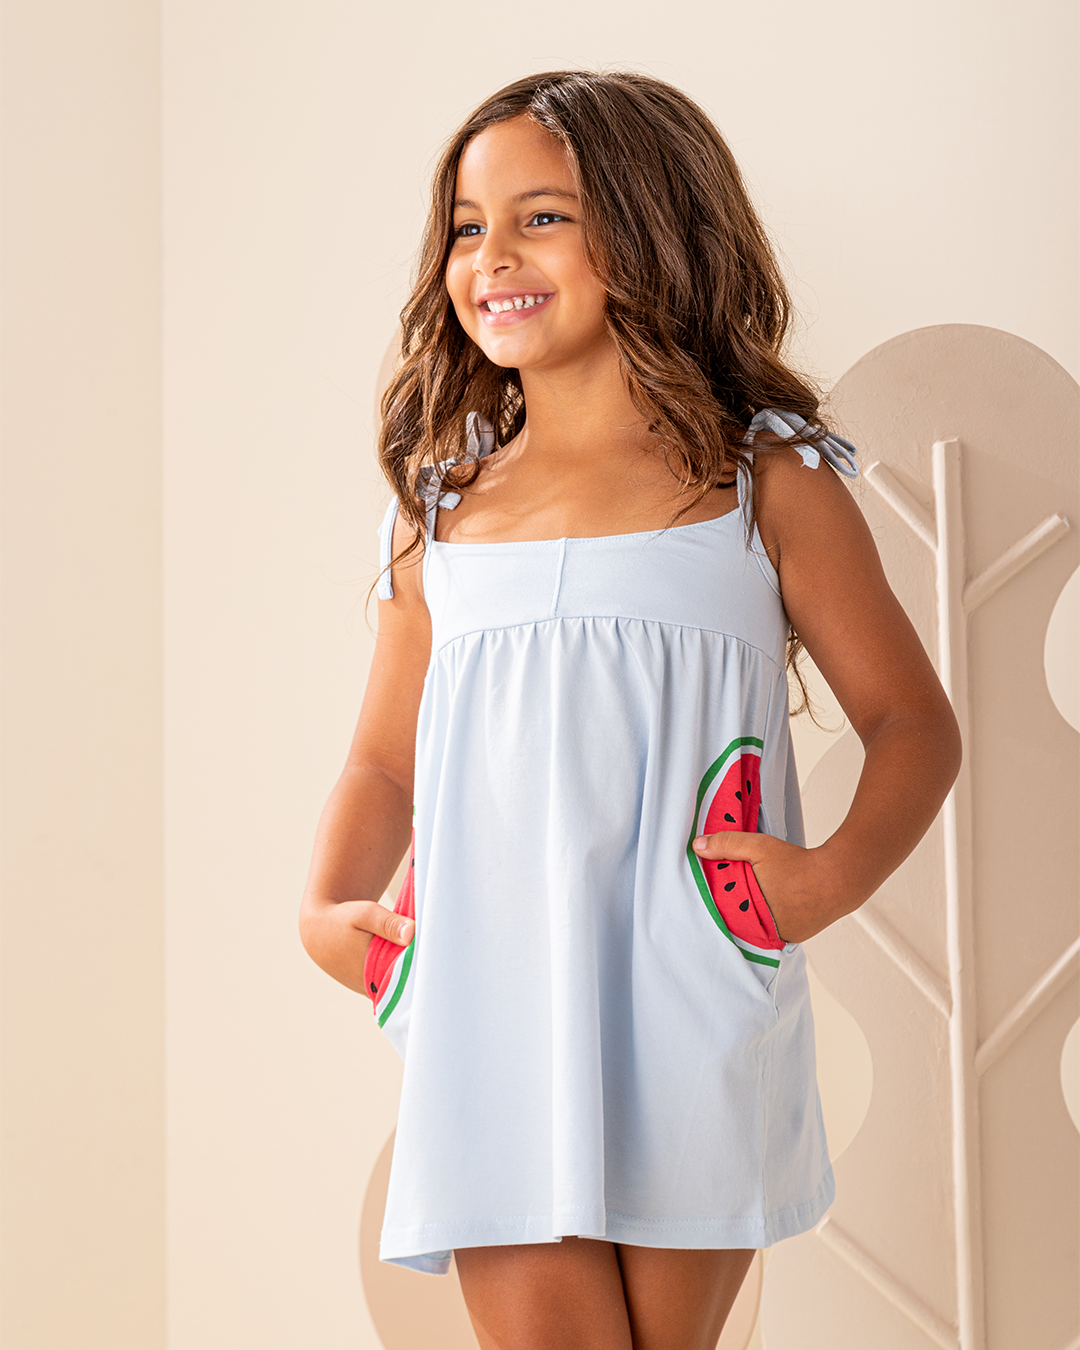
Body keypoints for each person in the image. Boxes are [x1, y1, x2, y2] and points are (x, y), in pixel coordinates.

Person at [299, 71, 961, 1350]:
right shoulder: (438, 515)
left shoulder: (762, 482)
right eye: (468, 226)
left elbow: (912, 722)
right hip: (487, 1003)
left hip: (691, 987)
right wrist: (327, 908)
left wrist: (824, 882)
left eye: (541, 217)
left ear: (652, 231)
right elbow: (382, 763)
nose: (493, 256)